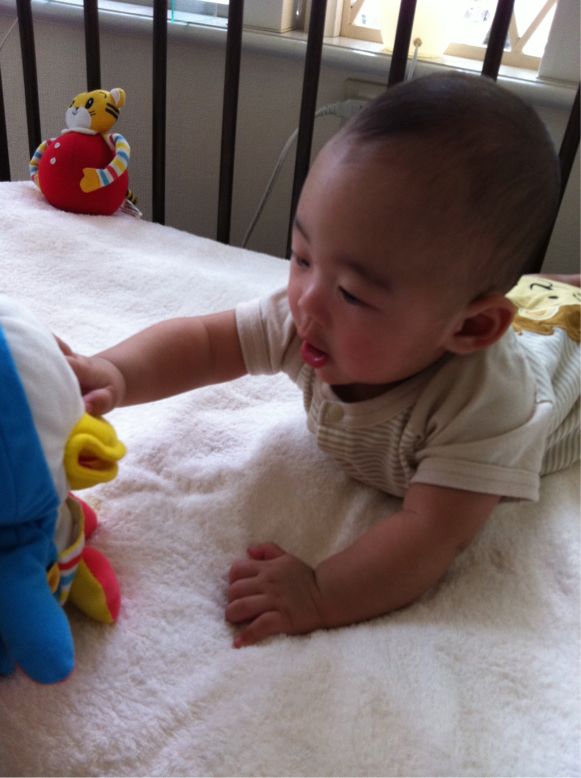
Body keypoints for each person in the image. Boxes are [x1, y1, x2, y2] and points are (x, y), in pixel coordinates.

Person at [62, 73, 580, 648]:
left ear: (469, 328)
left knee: (556, 314)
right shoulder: (312, 314)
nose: (306, 300)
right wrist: (115, 372)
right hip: (523, 316)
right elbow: (207, 343)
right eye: (302, 257)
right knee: (540, 299)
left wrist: (318, 593)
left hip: (565, 360)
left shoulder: (488, 405)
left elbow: (430, 535)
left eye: (352, 293)